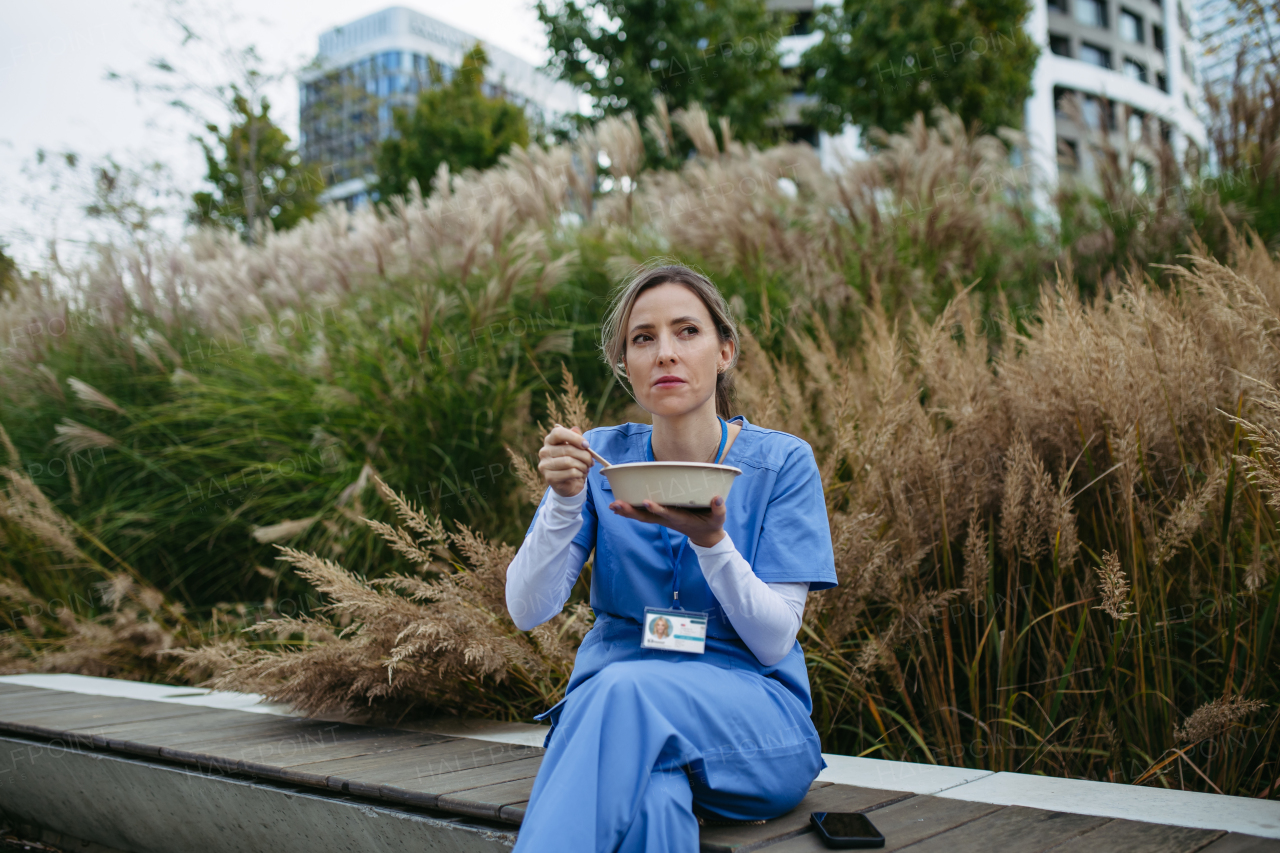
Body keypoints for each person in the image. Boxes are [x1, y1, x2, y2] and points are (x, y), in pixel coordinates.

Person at [505, 263, 838, 853]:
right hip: (617, 734)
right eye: (643, 338)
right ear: (623, 365)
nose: (665, 353)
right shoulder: (599, 460)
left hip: (750, 730)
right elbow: (528, 610)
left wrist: (713, 543)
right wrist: (563, 502)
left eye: (687, 331)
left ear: (725, 351)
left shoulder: (781, 464)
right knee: (653, 811)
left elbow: (773, 641)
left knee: (619, 690)